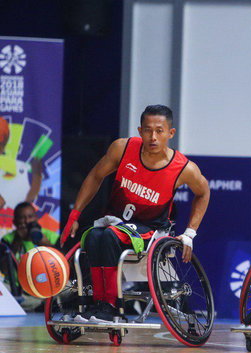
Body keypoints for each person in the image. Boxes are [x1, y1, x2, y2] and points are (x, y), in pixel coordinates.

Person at [60, 104, 210, 323]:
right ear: (140, 131)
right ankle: (96, 304)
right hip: (117, 221)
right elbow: (95, 176)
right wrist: (75, 214)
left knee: (110, 235)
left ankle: (111, 308)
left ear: (171, 133)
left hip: (151, 229)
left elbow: (203, 193)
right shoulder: (122, 148)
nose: (153, 136)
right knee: (92, 236)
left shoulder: (183, 168)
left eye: (159, 131)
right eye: (148, 130)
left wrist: (190, 233)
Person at [1, 201, 59, 300]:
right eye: (22, 218)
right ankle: (43, 304)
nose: (27, 221)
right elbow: (5, 270)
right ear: (15, 222)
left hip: (47, 286)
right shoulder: (7, 240)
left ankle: (39, 304)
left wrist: (45, 244)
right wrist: (17, 240)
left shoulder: (50, 236)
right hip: (18, 289)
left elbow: (62, 265)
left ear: (36, 218)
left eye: (30, 216)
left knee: (69, 286)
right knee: (4, 291)